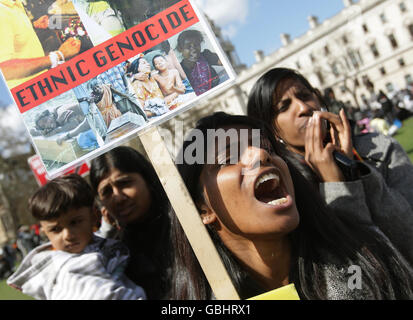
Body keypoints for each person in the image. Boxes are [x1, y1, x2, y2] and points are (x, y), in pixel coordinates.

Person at [171, 112, 413, 299]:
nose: (260, 155)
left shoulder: (365, 258)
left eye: (267, 148)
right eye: (230, 158)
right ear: (203, 210)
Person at [246, 67, 413, 263]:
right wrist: (335, 185)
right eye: (284, 107)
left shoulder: (380, 148)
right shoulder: (283, 189)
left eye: (305, 95)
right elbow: (353, 272)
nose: (303, 108)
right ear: (271, 131)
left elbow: (407, 233)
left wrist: (354, 168)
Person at [7, 174, 146, 300]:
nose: (67, 235)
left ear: (94, 216)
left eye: (74, 222)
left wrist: (107, 229)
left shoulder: (82, 249)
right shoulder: (71, 268)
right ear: (44, 232)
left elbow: (94, 244)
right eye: (55, 229)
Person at [89, 146, 173, 299]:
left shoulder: (186, 224)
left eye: (125, 183)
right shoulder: (117, 256)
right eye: (107, 191)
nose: (118, 197)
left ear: (147, 179)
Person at [0, 0, 81, 88]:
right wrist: (58, 55)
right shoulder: (2, 13)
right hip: (25, 91)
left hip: (38, 84)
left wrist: (34, 25)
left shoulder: (14, 4)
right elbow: (4, 69)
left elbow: (11, 33)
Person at [176, 29, 223, 95]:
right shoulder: (180, 70)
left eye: (196, 44)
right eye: (188, 47)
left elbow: (222, 61)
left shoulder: (206, 55)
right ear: (180, 49)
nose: (194, 49)